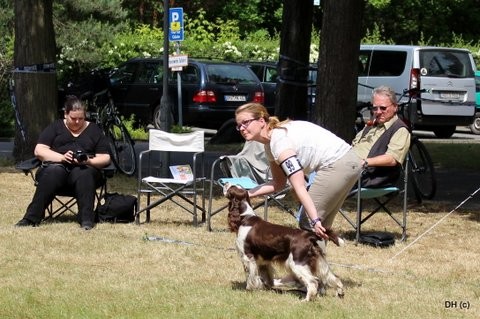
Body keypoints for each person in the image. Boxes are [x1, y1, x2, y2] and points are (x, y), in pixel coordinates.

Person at [234, 102, 363, 241]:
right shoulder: (270, 145)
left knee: (308, 223)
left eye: (245, 122)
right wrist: (246, 194)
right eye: (239, 125)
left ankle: (309, 261)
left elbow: (299, 186)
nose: (242, 128)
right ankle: (318, 261)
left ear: (261, 120)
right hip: (348, 162)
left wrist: (314, 219)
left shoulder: (280, 142)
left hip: (339, 164)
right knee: (321, 226)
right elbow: (278, 183)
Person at [15, 95, 111, 230]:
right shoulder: (55, 127)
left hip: (84, 172)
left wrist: (88, 161)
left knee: (84, 173)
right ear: (65, 114)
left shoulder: (94, 130)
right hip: (56, 170)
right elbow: (39, 150)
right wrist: (61, 158)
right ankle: (31, 218)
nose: (77, 122)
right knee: (54, 171)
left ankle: (86, 220)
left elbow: (105, 157)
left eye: (81, 118)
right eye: (73, 118)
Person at [352, 85, 411, 188]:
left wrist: (364, 162)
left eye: (383, 108)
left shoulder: (400, 129)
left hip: (371, 176)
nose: (378, 112)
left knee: (324, 180)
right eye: (375, 108)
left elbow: (392, 159)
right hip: (350, 168)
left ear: (395, 107)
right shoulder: (372, 125)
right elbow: (355, 145)